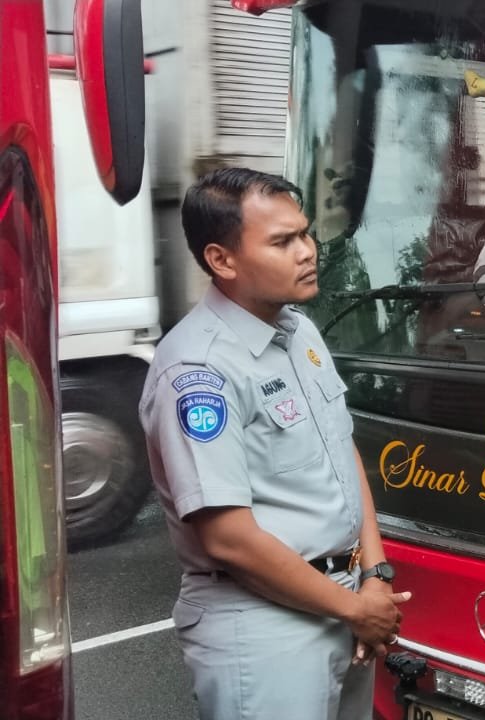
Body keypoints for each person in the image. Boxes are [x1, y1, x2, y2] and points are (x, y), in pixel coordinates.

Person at [139, 168, 410, 720]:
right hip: (263, 624)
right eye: (283, 241)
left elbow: (341, 452)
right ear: (222, 260)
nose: (308, 251)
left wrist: (374, 576)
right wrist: (355, 608)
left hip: (346, 600)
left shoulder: (298, 330)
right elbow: (229, 540)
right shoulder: (199, 370)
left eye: (305, 233)